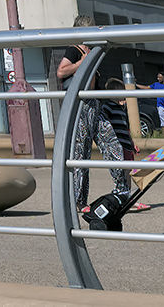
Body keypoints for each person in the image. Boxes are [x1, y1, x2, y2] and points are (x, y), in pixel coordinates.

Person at [56, 36, 136, 222]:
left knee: (113, 145)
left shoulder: (94, 53)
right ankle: (78, 201)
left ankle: (122, 191)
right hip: (82, 108)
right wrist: (82, 62)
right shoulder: (74, 51)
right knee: (80, 154)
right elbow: (61, 71)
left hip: (96, 107)